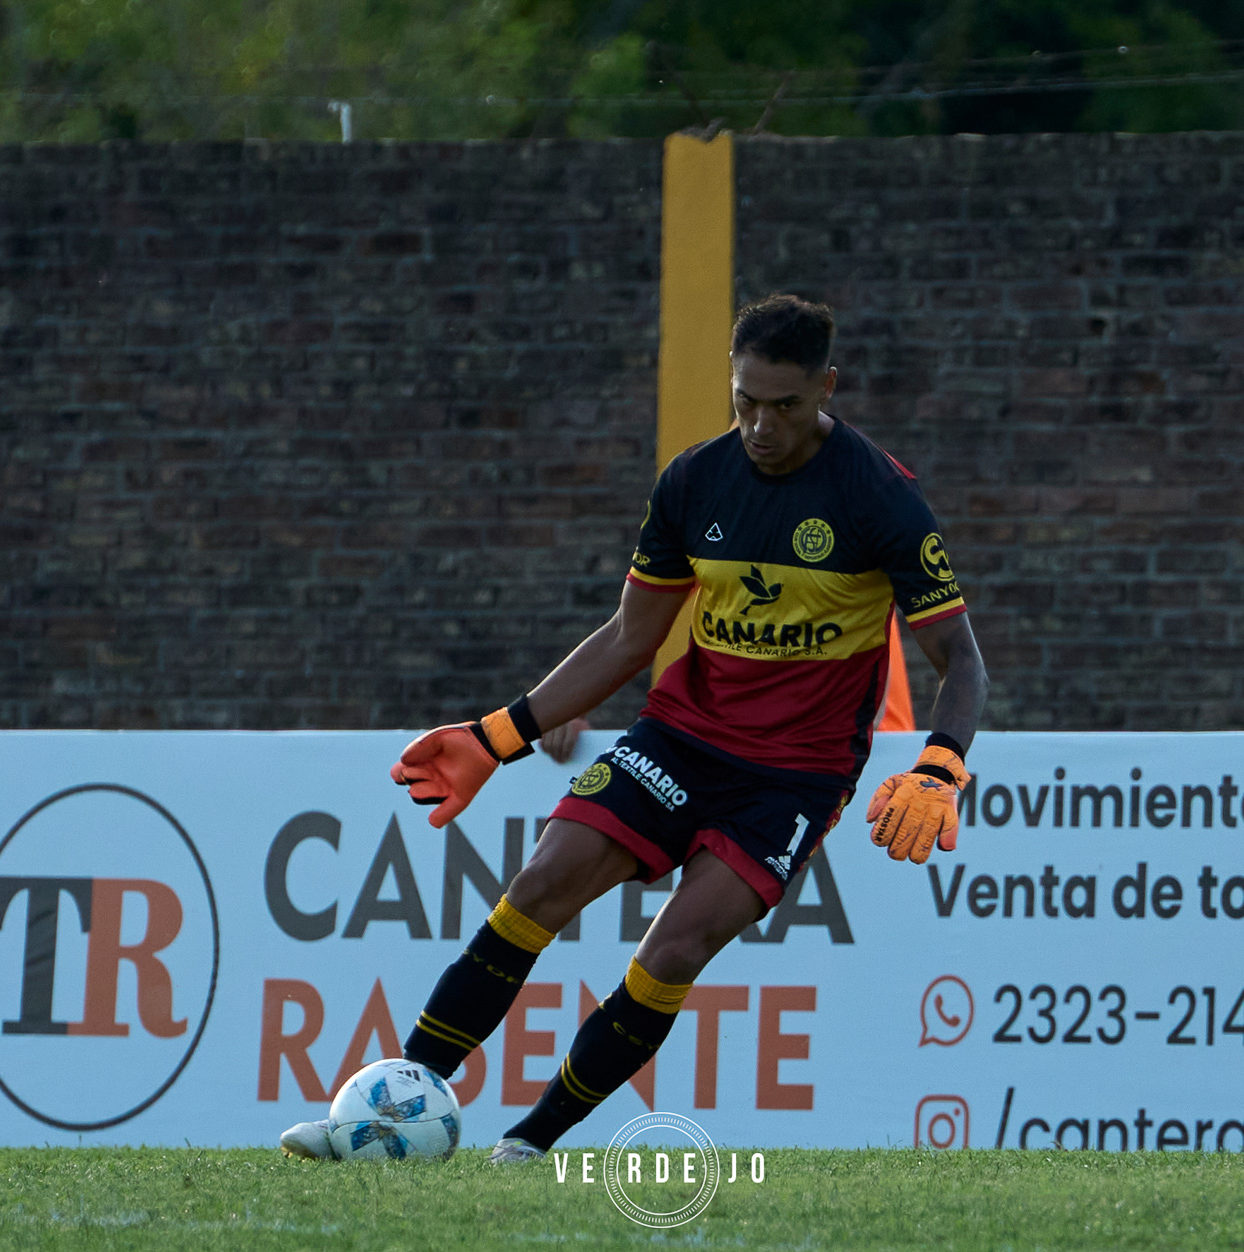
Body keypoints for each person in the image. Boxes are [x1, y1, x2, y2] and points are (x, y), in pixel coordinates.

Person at [281, 293, 988, 1162]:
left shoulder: (882, 498)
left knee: (674, 950)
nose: (762, 426)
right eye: (745, 402)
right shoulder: (694, 481)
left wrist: (940, 766)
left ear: (827, 389)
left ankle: (529, 1144)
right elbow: (630, 637)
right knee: (539, 886)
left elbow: (963, 659)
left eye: (786, 406)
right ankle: (383, 1115)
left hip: (795, 775)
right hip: (682, 737)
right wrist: (499, 735)